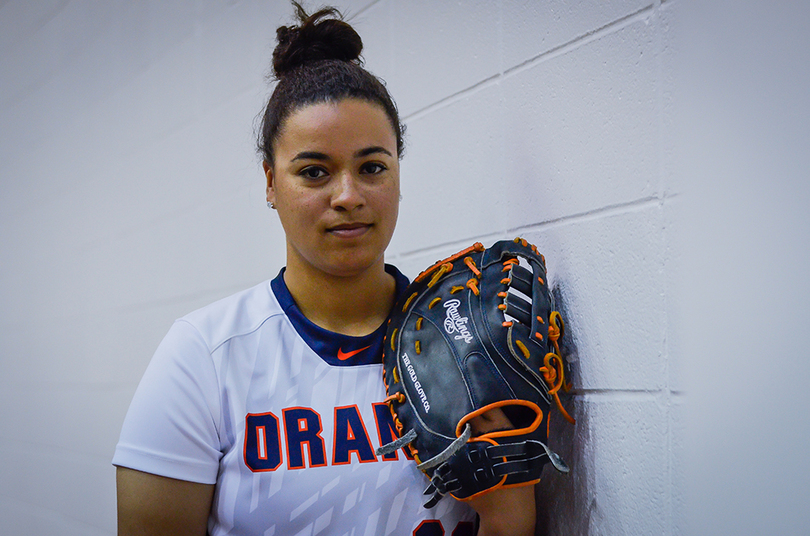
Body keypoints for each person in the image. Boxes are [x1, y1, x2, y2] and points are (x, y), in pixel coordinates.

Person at [113, 4, 537, 535]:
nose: (348, 196)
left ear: (399, 174)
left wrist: (511, 500)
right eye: (314, 172)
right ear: (271, 182)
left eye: (372, 167)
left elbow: (510, 523)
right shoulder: (204, 356)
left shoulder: (470, 345)